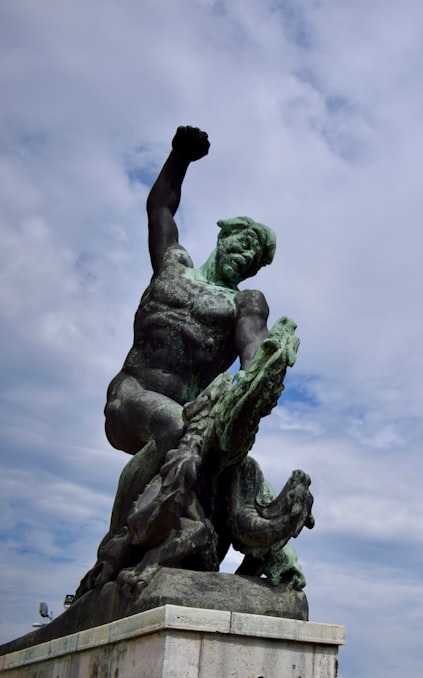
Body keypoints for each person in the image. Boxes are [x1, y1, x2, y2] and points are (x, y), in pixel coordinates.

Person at [104, 125, 278, 525]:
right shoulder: (172, 265)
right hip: (130, 394)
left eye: (255, 257)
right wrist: (179, 157)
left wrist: (262, 375)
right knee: (171, 423)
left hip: (188, 419)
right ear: (223, 238)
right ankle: (118, 543)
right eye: (244, 242)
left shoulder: (244, 304)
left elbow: (256, 356)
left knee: (203, 449)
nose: (247, 256)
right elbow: (160, 209)